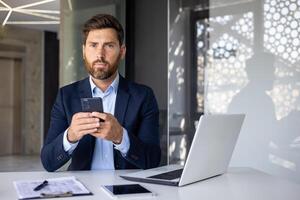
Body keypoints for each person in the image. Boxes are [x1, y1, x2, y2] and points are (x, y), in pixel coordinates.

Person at [41, 14, 161, 172]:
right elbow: (48, 162)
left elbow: (152, 160)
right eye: (93, 45)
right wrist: (70, 136)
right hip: (83, 191)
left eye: (109, 45)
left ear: (122, 51)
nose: (100, 54)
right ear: (84, 51)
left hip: (126, 191)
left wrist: (121, 137)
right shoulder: (66, 96)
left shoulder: (143, 96)